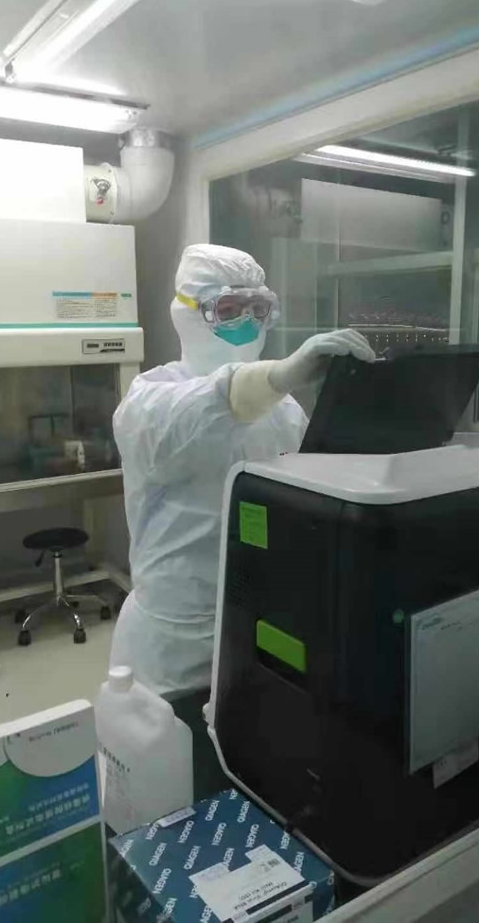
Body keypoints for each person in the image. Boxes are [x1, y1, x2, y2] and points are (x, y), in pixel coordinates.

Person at [110, 243, 374, 697]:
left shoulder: (283, 409)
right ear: (187, 314)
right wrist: (280, 375)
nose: (247, 322)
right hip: (174, 645)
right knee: (174, 737)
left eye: (257, 309)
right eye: (228, 309)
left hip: (257, 619)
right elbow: (212, 405)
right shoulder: (148, 401)